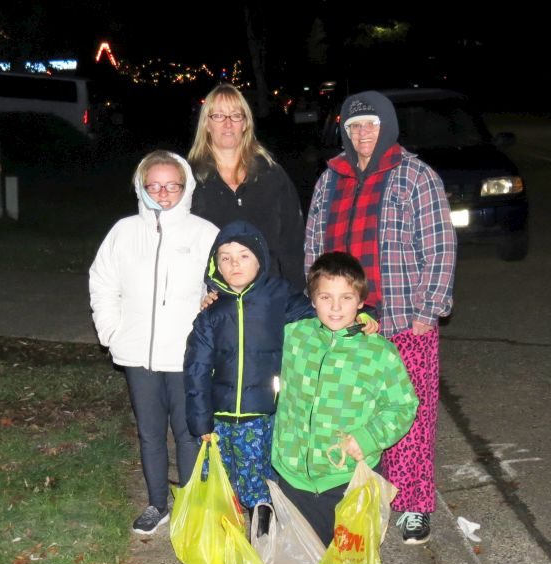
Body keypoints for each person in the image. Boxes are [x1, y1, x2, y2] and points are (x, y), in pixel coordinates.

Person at [304, 91, 457, 545]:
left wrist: (428, 311)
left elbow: (440, 247)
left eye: (371, 124)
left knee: (408, 418)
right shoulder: (330, 179)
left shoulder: (415, 176)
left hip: (403, 321)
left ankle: (413, 506)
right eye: (354, 126)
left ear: (387, 127)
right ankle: (356, 501)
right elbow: (313, 243)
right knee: (352, 416)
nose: (363, 133)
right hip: (344, 321)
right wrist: (316, 299)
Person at [184, 222, 378, 538]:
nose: (235, 265)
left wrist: (363, 314)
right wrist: (200, 422)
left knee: (261, 483)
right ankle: (226, 539)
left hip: (264, 414)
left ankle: (265, 537)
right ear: (214, 265)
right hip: (219, 419)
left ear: (260, 259)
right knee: (222, 481)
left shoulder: (279, 296)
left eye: (244, 256)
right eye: (226, 258)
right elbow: (196, 370)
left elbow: (324, 311)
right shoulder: (212, 312)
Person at [88, 150, 218, 535]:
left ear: (186, 187)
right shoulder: (124, 232)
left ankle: (192, 505)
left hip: (186, 356)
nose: (163, 194)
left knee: (189, 432)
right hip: (137, 354)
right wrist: (111, 332)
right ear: (141, 188)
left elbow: (222, 286)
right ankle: (156, 503)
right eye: (155, 186)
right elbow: (103, 283)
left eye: (172, 186)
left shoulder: (204, 233)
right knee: (149, 432)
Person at [271, 251, 418, 546]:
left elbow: (403, 406)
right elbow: (247, 329)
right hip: (292, 474)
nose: (336, 307)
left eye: (346, 298)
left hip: (346, 479)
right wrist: (215, 299)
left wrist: (367, 438)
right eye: (325, 297)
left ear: (362, 301)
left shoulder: (378, 353)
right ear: (312, 300)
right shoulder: (294, 336)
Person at [188, 83, 306, 290]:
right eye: (218, 116)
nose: (227, 124)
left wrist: (294, 297)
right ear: (206, 123)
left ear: (245, 123)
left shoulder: (271, 175)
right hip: (212, 302)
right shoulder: (190, 179)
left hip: (269, 297)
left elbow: (293, 243)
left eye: (235, 115)